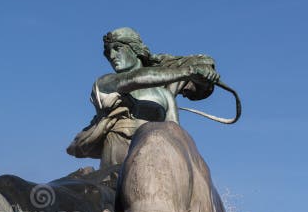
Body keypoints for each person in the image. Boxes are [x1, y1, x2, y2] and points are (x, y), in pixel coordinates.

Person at [67, 27, 219, 167]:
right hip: (114, 170)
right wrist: (190, 71)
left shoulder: (164, 95)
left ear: (135, 50)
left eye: (117, 48)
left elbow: (175, 136)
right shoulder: (106, 83)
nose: (112, 56)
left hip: (156, 165)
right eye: (108, 52)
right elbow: (137, 77)